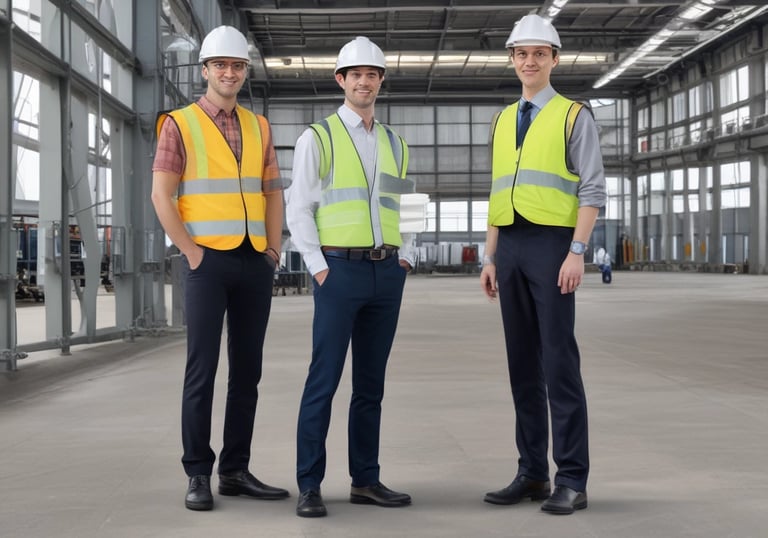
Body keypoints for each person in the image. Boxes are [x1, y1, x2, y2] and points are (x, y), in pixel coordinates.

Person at [151, 25, 289, 511]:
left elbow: (273, 193)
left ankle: (234, 469)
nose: (229, 73)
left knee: (247, 372)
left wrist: (273, 251)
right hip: (207, 262)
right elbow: (160, 195)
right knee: (202, 370)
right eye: (220, 66)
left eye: (237, 66)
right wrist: (190, 252)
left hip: (254, 262)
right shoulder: (179, 123)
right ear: (205, 70)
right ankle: (197, 473)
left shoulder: (260, 126)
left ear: (244, 72)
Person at [479, 14, 606, 515]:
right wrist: (490, 255)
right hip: (509, 245)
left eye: (539, 53)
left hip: (553, 246)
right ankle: (532, 472)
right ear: (512, 60)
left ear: (555, 59)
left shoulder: (575, 116)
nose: (529, 61)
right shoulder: (503, 118)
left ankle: (571, 478)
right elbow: (496, 192)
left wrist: (577, 252)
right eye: (521, 54)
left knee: (558, 363)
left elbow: (592, 189)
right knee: (522, 367)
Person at [285, 36, 416, 518]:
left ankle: (366, 479)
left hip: (387, 273)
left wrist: (407, 257)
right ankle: (309, 484)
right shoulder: (316, 138)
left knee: (370, 385)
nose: (365, 81)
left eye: (373, 74)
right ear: (340, 80)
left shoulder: (396, 144)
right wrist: (319, 269)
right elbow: (299, 209)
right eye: (355, 74)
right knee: (324, 379)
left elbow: (411, 208)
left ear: (381, 81)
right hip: (338, 272)